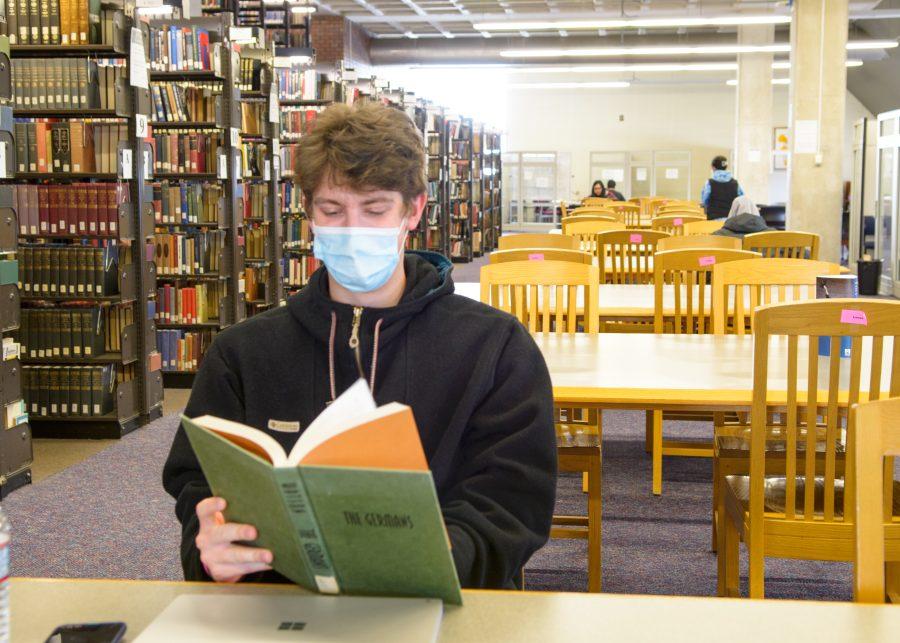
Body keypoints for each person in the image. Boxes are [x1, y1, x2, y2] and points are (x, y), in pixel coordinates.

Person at [162, 102, 558, 590]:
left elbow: (514, 502)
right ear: (307, 212)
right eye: (333, 210)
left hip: (443, 603)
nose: (353, 229)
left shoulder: (494, 346)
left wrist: (436, 559)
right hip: (280, 609)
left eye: (374, 209)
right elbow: (197, 486)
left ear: (413, 210)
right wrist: (210, 550)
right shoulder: (241, 354)